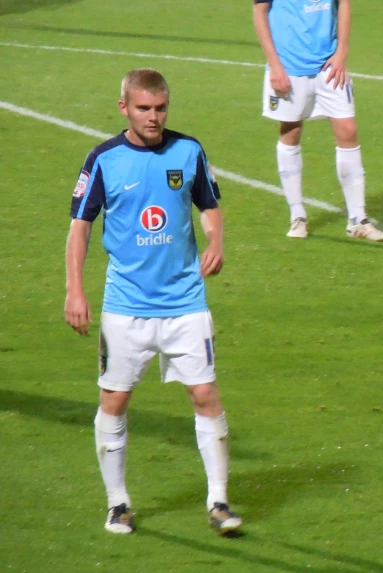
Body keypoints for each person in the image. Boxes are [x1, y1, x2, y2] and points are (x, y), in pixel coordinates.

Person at [64, 68, 242, 535]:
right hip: (126, 306)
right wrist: (75, 289)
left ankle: (219, 500)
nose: (154, 117)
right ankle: (118, 502)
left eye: (160, 108)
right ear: (124, 107)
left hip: (185, 302)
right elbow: (80, 227)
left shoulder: (189, 151)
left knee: (205, 394)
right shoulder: (103, 159)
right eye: (144, 108)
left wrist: (216, 240)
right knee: (115, 400)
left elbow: (209, 204)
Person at [252, 0, 383, 241]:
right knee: (291, 132)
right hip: (289, 66)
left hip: (329, 65)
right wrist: (274, 65)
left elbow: (344, 3)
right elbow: (259, 12)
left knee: (348, 129)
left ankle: (358, 219)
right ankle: (298, 215)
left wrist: (342, 50)